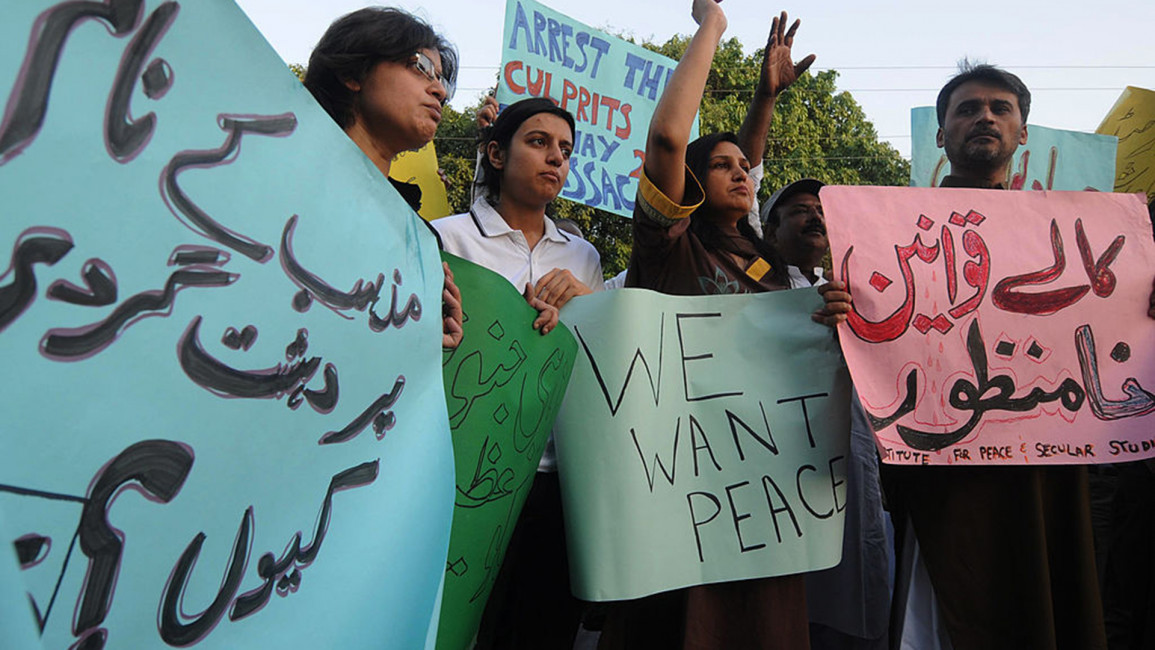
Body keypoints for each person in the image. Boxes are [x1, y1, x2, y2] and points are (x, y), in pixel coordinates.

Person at [601, 4, 849, 649]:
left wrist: (766, 97)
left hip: (764, 495)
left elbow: (749, 163)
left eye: (746, 166)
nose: (742, 173)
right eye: (721, 166)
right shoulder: (671, 246)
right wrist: (712, 25)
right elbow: (666, 141)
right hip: (683, 495)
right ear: (687, 184)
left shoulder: (768, 261)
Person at [881, 62, 1111, 650]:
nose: (984, 116)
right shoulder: (897, 234)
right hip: (947, 461)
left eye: (999, 108)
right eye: (967, 108)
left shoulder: (1061, 236)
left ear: (1023, 132)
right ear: (941, 136)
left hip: (1045, 457)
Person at [433, 97, 604, 650]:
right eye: (537, 142)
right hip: (457, 479)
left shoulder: (584, 258)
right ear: (495, 153)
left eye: (566, 150)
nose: (555, 157)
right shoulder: (444, 238)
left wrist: (583, 306)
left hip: (554, 480)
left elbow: (598, 362)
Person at [760, 181, 893, 650]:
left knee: (844, 585)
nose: (815, 217)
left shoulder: (852, 296)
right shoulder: (751, 289)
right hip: (768, 469)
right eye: (800, 210)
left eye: (822, 210)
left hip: (842, 467)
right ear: (770, 230)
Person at [304, 7, 463, 348]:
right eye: (420, 66)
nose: (440, 92)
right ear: (354, 73)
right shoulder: (284, 182)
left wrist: (426, 335)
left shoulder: (422, 242)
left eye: (441, 78)